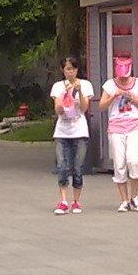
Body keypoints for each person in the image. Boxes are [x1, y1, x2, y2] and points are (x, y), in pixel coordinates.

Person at [101, 55, 138, 211]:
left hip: (134, 125)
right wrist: (113, 96)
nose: (122, 79)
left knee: (134, 160)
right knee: (119, 162)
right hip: (116, 127)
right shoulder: (109, 85)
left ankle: (135, 196)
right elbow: (101, 106)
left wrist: (133, 98)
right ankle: (124, 200)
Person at [49, 58, 91, 214]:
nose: (71, 72)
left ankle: (76, 201)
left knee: (78, 167)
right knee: (62, 165)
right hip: (62, 131)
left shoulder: (85, 85)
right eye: (67, 69)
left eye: (73, 69)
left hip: (79, 130)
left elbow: (85, 108)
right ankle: (63, 200)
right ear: (63, 70)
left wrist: (78, 91)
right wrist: (64, 94)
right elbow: (58, 111)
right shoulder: (57, 87)